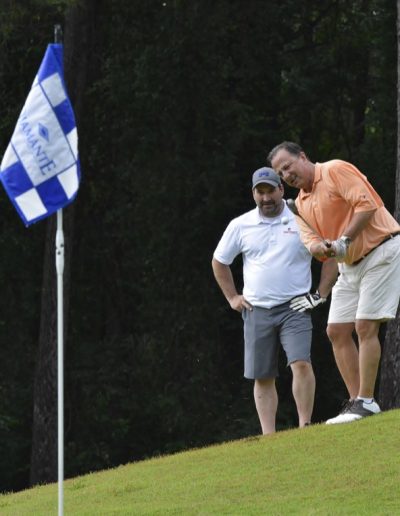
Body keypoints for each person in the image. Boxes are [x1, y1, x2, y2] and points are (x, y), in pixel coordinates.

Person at [268, 141, 400, 424]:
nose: (287, 175)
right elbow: (313, 244)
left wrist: (343, 241)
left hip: (381, 250)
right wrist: (323, 248)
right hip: (349, 265)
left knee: (365, 325)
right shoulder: (300, 205)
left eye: (288, 166)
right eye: (281, 173)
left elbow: (367, 205)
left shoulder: (334, 170)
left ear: (303, 156)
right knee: (337, 331)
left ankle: (366, 401)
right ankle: (357, 403)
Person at [211, 167, 337, 434]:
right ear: (253, 194)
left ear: (281, 189)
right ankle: (269, 436)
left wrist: (321, 293)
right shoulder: (241, 225)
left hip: (295, 306)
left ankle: (305, 427)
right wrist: (232, 297)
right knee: (263, 375)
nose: (266, 197)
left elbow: (330, 254)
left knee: (301, 363)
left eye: (271, 190)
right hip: (256, 308)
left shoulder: (301, 219)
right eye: (261, 192)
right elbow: (220, 261)